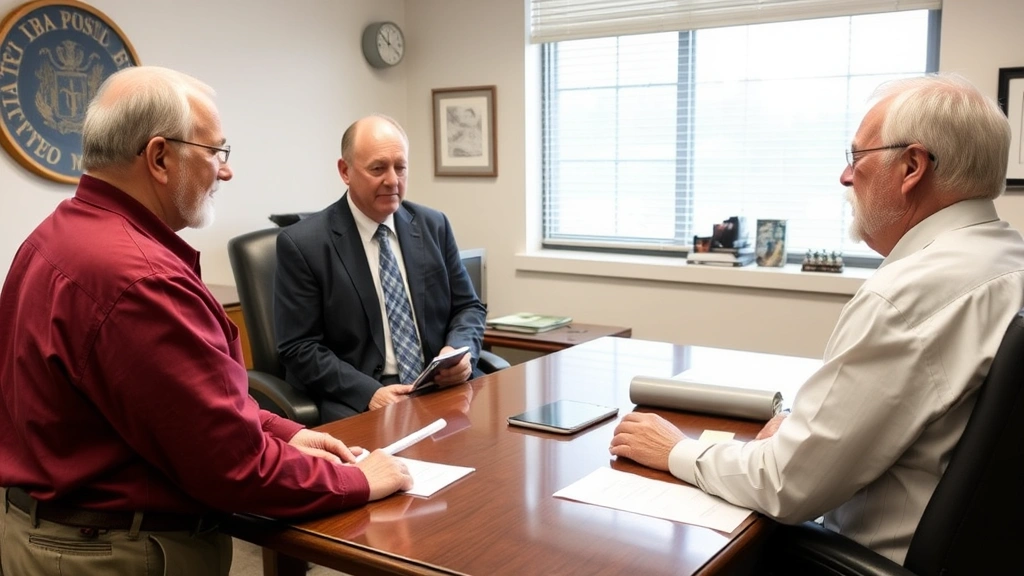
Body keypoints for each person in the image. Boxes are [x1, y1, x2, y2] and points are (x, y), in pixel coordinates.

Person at [0, 66, 412, 576]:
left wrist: (281, 432)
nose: (226, 170)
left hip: (51, 534)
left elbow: (178, 405)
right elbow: (231, 467)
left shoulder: (56, 236)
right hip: (115, 550)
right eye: (217, 151)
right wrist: (360, 480)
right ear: (159, 157)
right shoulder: (140, 279)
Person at [609, 73, 1024, 565]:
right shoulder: (1008, 258)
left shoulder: (907, 296)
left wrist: (676, 450)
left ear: (912, 166)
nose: (845, 177)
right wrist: (803, 431)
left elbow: (788, 485)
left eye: (857, 157)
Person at [275, 115, 486, 423]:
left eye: (400, 167)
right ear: (345, 171)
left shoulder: (433, 225)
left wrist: (460, 351)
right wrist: (369, 392)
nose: (392, 180)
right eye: (378, 168)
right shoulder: (303, 244)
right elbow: (299, 348)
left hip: (437, 383)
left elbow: (468, 307)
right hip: (361, 393)